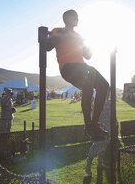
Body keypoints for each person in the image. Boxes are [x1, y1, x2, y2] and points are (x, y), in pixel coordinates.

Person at [46, 9, 109, 139]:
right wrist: (55, 36)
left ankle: (93, 123)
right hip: (68, 68)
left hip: (83, 67)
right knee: (89, 78)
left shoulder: (79, 36)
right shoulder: (58, 31)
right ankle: (88, 125)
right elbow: (47, 47)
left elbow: (88, 55)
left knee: (104, 85)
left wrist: (90, 43)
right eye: (76, 17)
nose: (78, 19)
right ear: (68, 19)